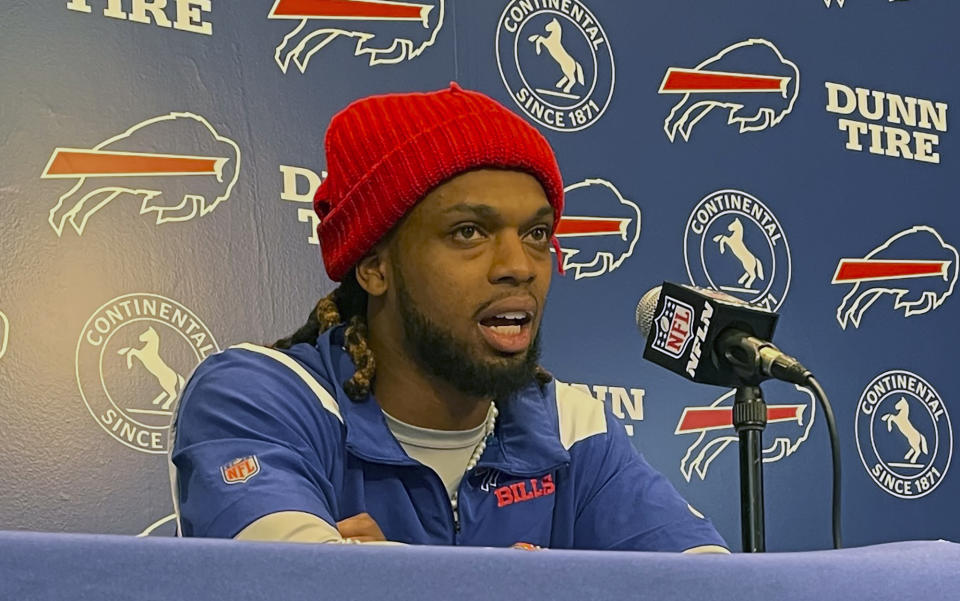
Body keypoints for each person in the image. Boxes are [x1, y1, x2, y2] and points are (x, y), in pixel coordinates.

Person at [169, 83, 729, 552]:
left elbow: (711, 585)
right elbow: (289, 587)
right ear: (373, 267)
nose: (519, 267)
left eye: (536, 234)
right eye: (469, 232)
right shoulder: (257, 395)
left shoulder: (569, 424)